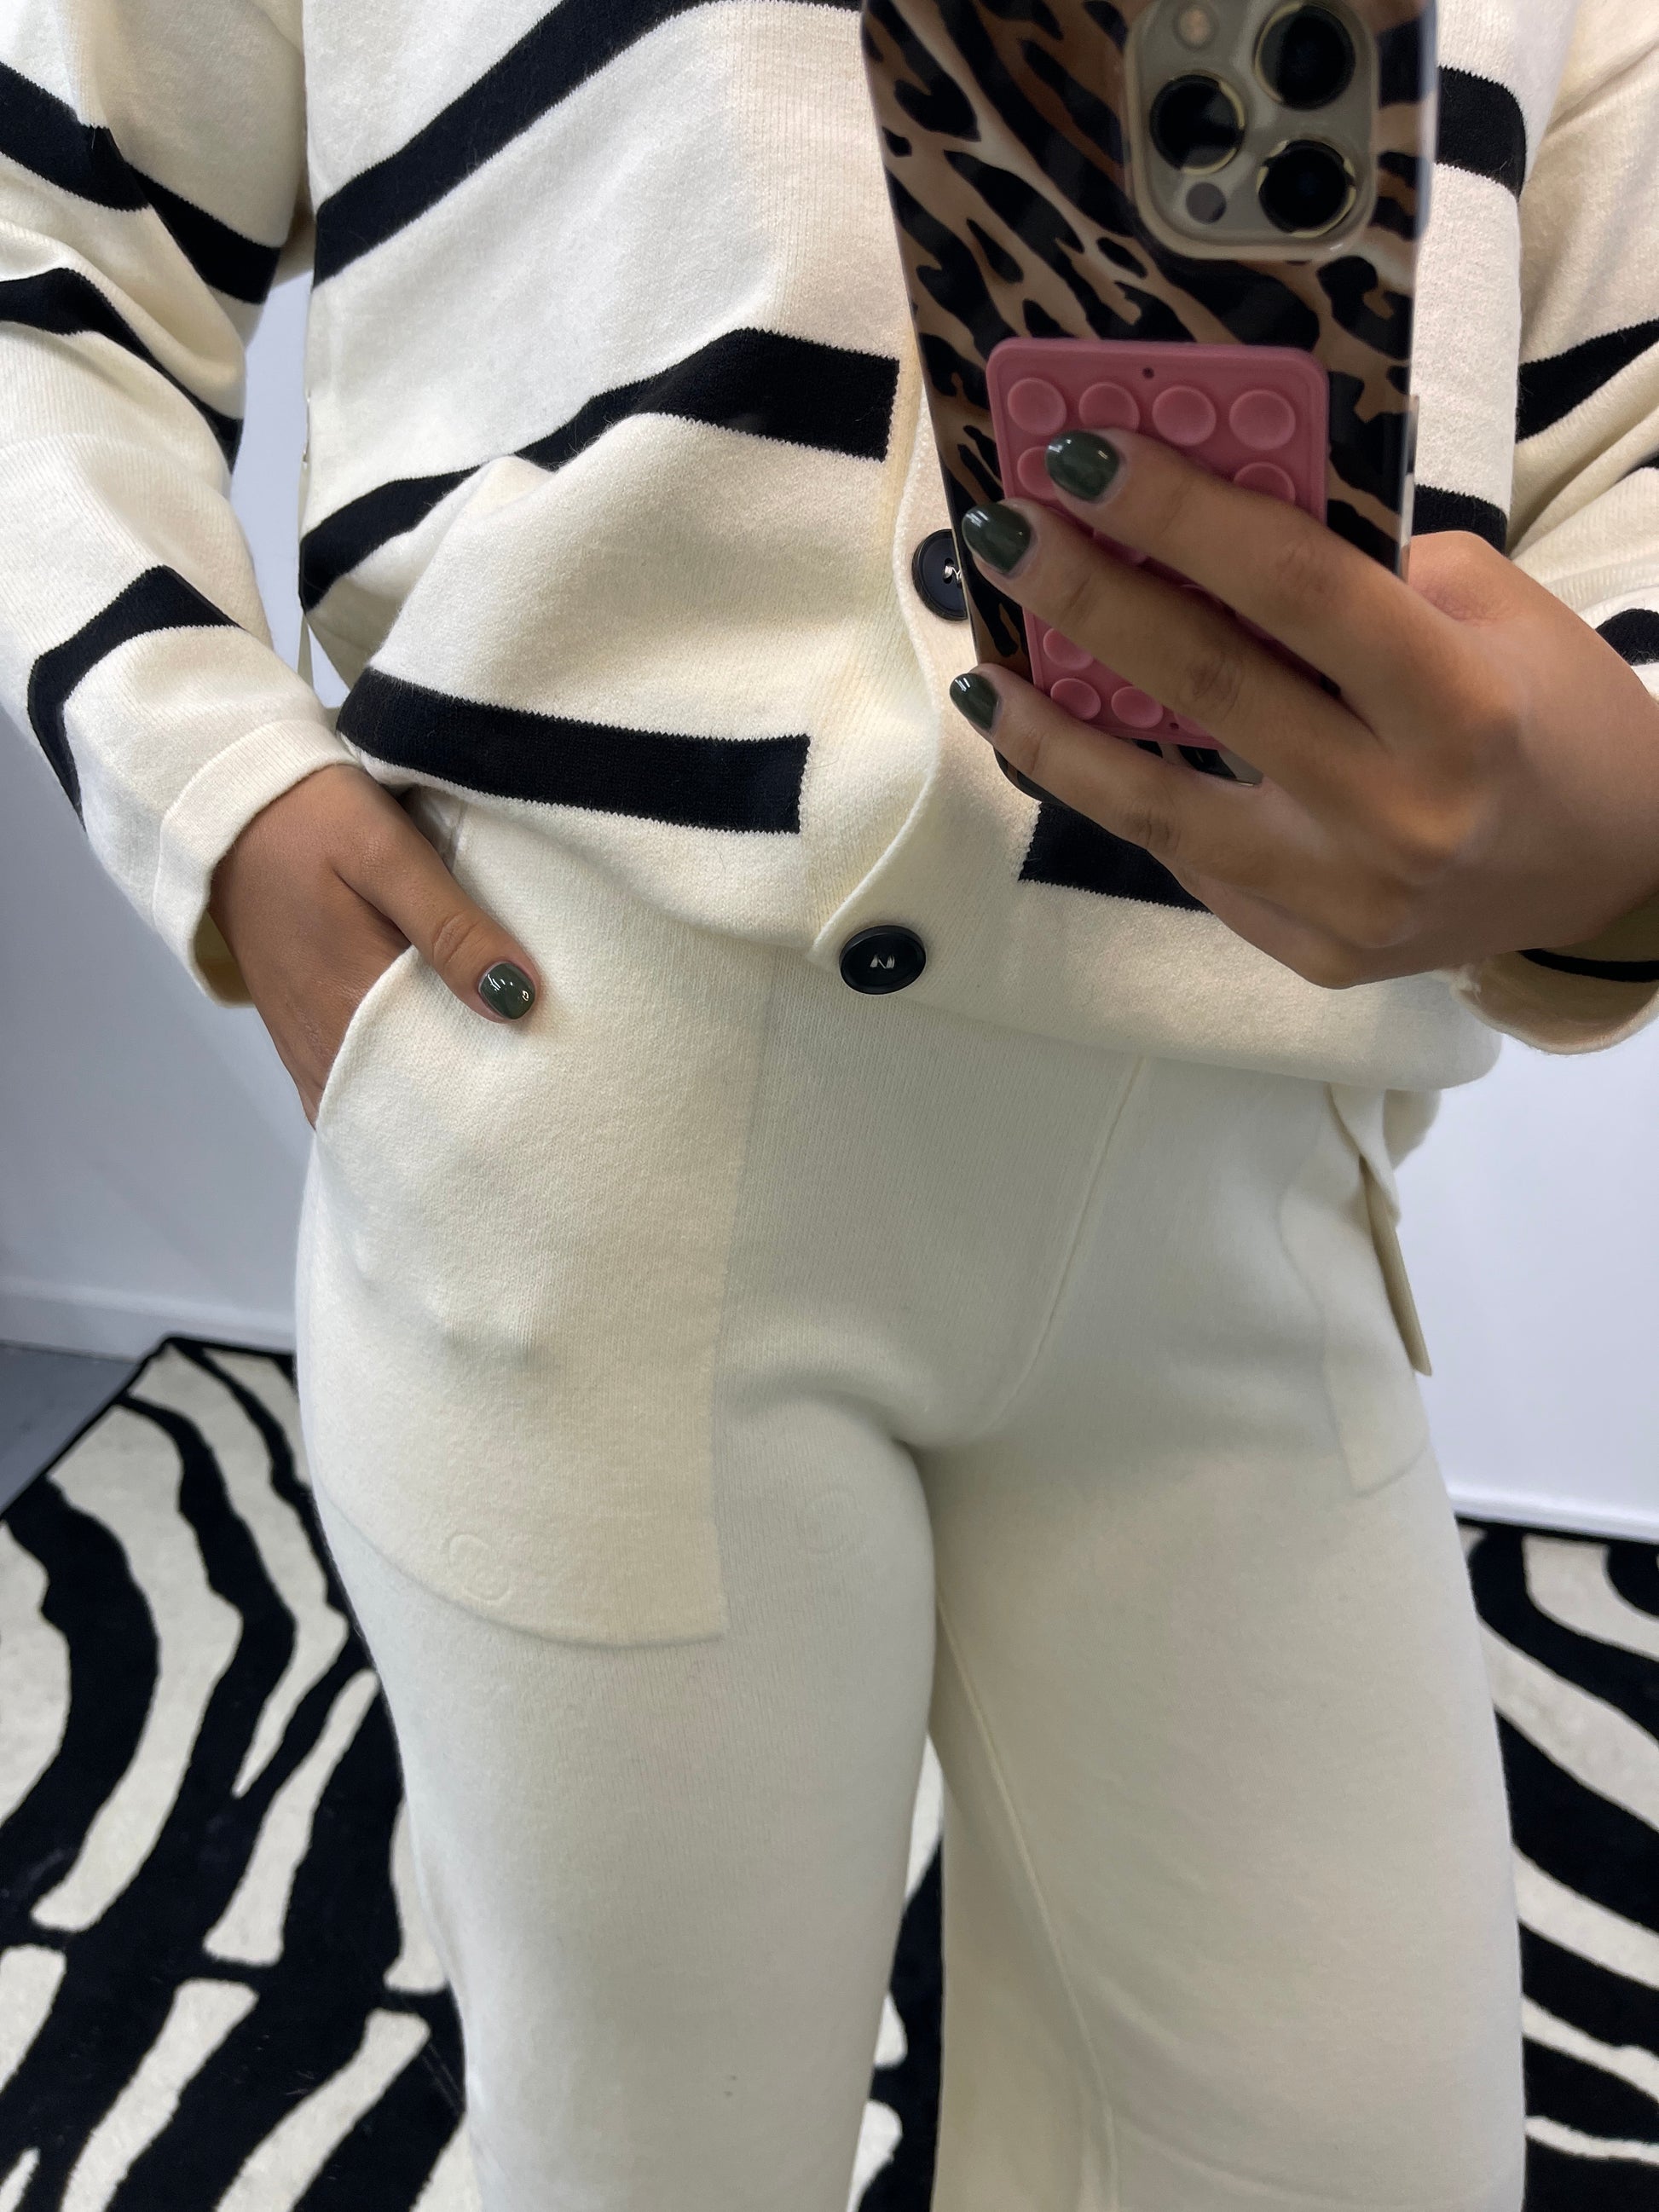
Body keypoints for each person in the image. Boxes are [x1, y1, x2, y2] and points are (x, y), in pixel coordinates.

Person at [2, 0, 1656, 2204]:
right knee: (642, 2158)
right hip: (594, 1142)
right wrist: (208, 779)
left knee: (1361, 2152)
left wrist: (1627, 818)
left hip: (1256, 1189)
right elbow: (46, 227)